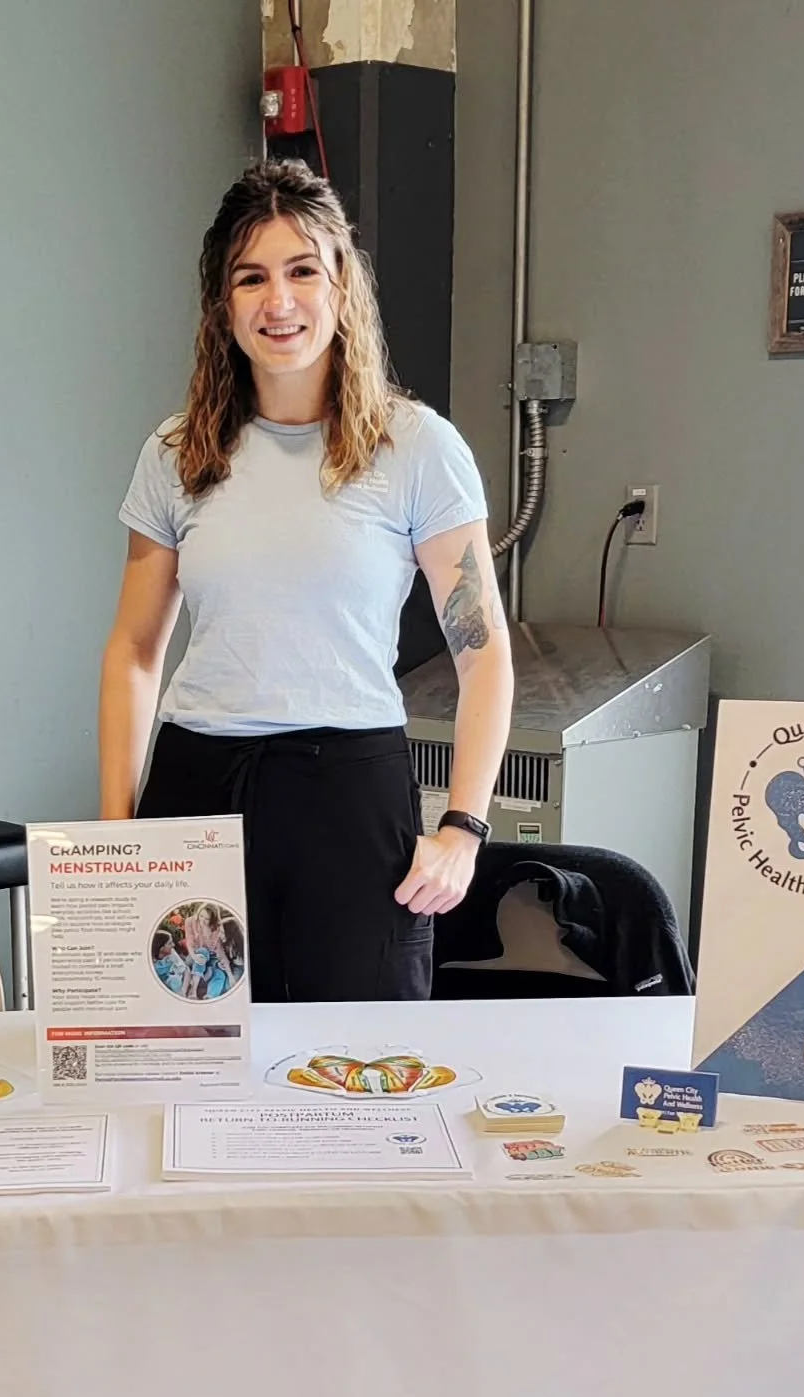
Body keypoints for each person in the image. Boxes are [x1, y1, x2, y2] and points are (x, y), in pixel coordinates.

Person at [99, 159, 514, 1004]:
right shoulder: (177, 454)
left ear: (341, 285)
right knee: (186, 1051)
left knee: (359, 1057)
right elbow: (135, 652)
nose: (277, 300)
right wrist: (116, 835)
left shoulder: (416, 447)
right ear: (221, 303)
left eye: (301, 271)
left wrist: (464, 828)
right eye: (250, 277)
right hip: (198, 786)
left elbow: (484, 654)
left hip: (349, 792)